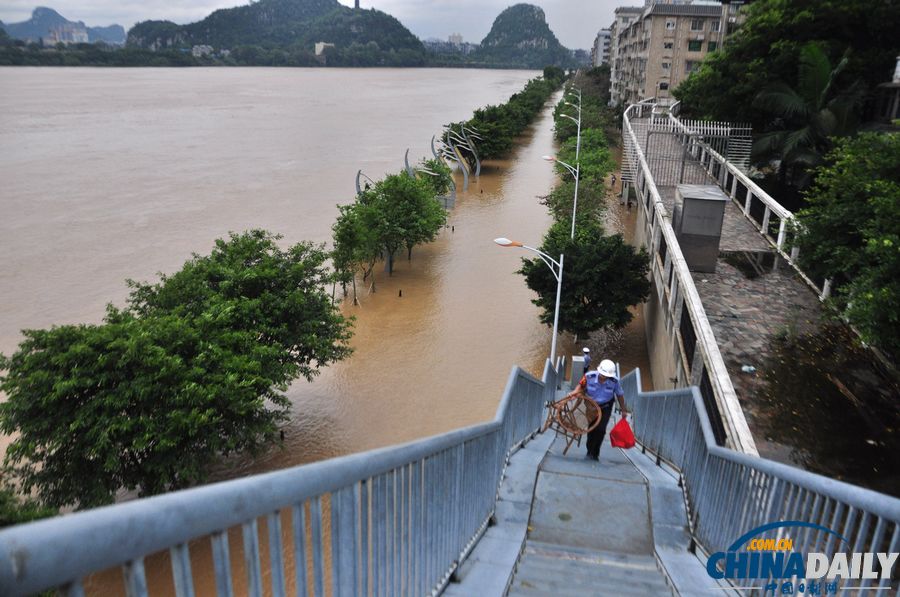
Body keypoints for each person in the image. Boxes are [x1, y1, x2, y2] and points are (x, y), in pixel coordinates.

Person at [565, 358, 627, 461]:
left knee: (601, 430)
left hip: (606, 406)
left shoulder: (614, 381)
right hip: (591, 406)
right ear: (599, 371)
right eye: (603, 375)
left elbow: (620, 395)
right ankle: (589, 451)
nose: (604, 378)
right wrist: (574, 394)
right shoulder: (589, 376)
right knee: (592, 428)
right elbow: (580, 386)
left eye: (606, 376)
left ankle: (595, 453)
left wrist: (623, 410)